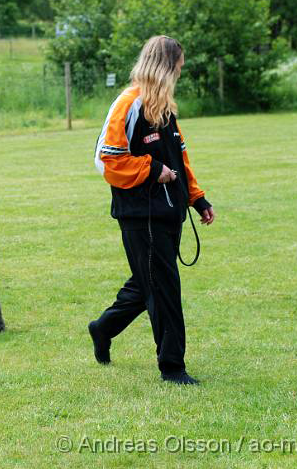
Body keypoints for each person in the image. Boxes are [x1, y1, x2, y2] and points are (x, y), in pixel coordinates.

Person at [88, 35, 215, 385]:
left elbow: (180, 158)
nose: (179, 74)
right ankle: (172, 367)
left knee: (148, 283)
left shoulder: (165, 109)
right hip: (140, 216)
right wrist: (151, 169)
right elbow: (107, 160)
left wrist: (197, 198)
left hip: (170, 212)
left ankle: (103, 328)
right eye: (178, 67)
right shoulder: (128, 103)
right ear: (165, 66)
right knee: (164, 288)